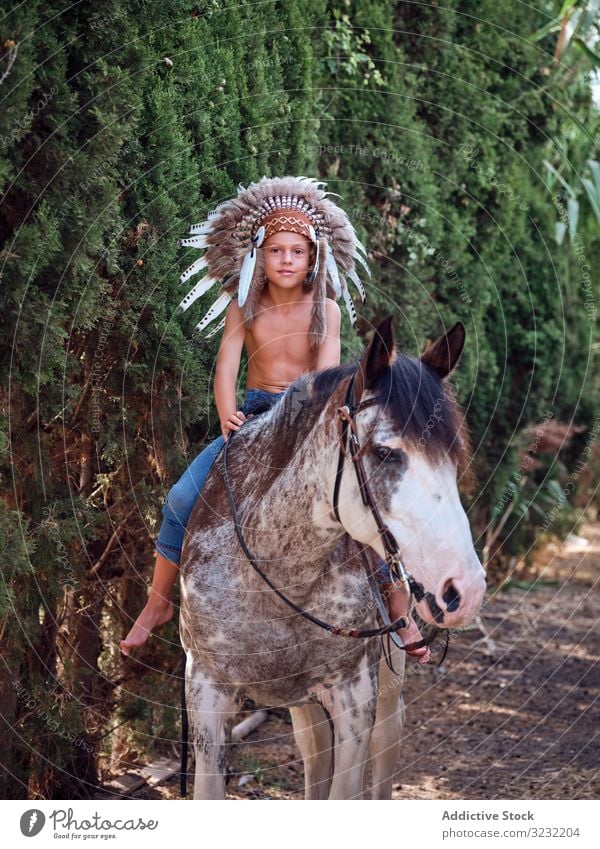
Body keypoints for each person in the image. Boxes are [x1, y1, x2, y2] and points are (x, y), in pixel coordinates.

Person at [120, 176, 430, 662]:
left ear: (314, 258)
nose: (287, 259)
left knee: (358, 502)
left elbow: (326, 378)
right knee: (182, 496)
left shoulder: (324, 308)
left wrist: (315, 426)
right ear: (260, 255)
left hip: (308, 420)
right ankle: (158, 601)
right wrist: (227, 412)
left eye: (297, 251)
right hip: (255, 415)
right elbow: (226, 366)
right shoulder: (245, 305)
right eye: (277, 250)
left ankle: (397, 604)